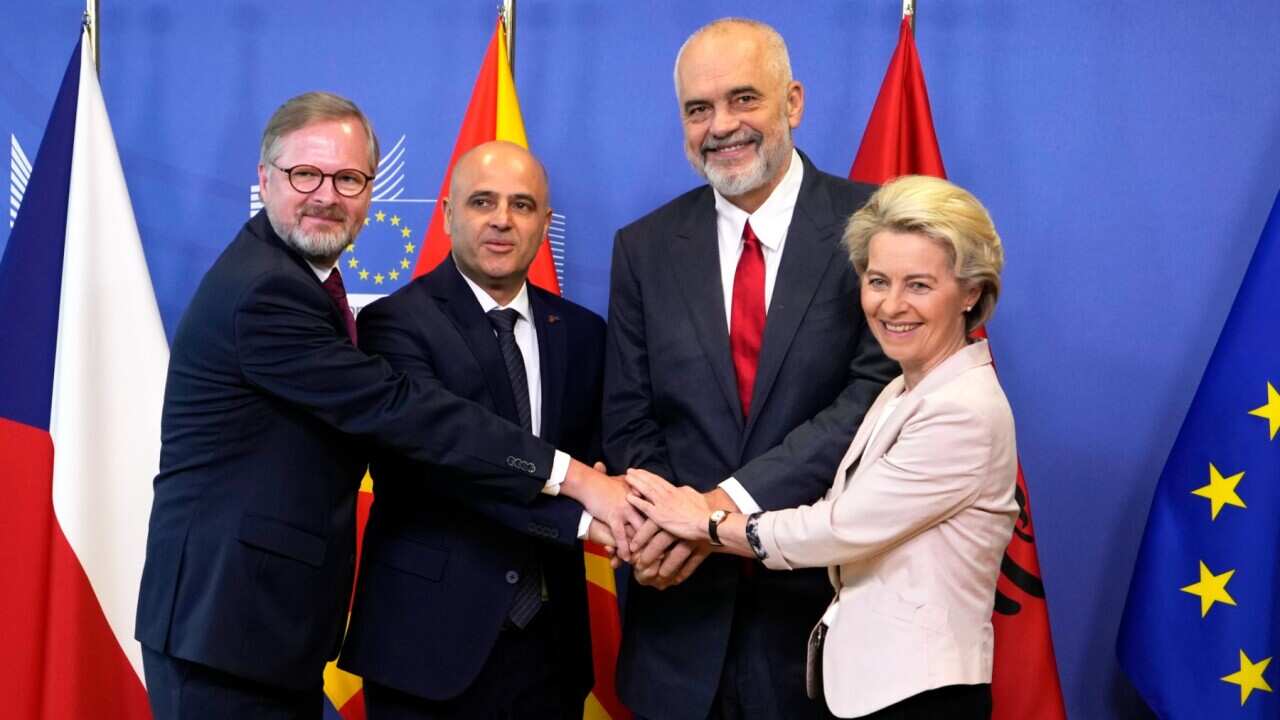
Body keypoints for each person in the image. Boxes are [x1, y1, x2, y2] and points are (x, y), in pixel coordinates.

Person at [135, 93, 632, 720]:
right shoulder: (267, 291)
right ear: (264, 178)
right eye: (305, 174)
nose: (326, 195)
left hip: (263, 628)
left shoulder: (297, 279)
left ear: (371, 191)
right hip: (228, 626)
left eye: (348, 179)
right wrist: (579, 485)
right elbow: (404, 413)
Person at [626, 175, 1019, 719]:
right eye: (877, 281)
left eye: (919, 285)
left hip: (923, 695)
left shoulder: (962, 409)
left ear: (971, 292)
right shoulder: (902, 390)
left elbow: (837, 528)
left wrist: (707, 523)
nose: (891, 305)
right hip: (873, 685)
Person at [603, 17, 897, 720]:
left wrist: (719, 510)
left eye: (743, 99)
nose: (721, 126)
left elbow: (873, 397)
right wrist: (672, 529)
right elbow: (628, 415)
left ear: (792, 102)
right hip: (677, 622)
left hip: (820, 625)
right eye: (698, 109)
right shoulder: (644, 247)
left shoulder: (875, 226)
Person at [338, 141, 610, 719]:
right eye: (482, 201)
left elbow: (600, 458)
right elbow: (445, 465)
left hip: (551, 652)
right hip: (427, 651)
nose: (502, 220)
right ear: (447, 214)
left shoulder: (583, 332)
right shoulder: (393, 323)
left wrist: (633, 502)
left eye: (522, 205)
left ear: (545, 224)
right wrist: (588, 517)